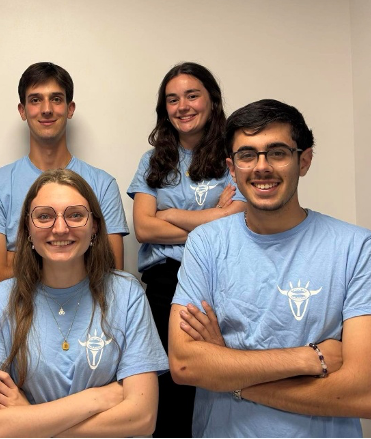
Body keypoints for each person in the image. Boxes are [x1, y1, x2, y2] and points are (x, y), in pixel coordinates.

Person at [168, 99, 371, 437]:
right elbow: (184, 364)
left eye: (278, 153)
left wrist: (231, 376)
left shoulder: (357, 248)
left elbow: (369, 396)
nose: (261, 167)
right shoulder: (206, 243)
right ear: (232, 169)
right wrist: (310, 358)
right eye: (247, 155)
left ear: (304, 160)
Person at [0, 169, 168, 437]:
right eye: (44, 216)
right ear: (27, 228)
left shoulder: (127, 294)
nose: (60, 228)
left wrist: (29, 419)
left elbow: (142, 418)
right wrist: (97, 398)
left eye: (75, 215)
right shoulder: (1, 301)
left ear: (94, 226)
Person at [126, 62, 245, 437]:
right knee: (170, 392)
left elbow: (236, 222)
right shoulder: (152, 160)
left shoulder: (236, 155)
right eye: (172, 99)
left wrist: (172, 214)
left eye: (192, 95)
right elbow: (144, 228)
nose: (183, 106)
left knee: (218, 384)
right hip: (165, 286)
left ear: (212, 100)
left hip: (220, 283)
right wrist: (213, 216)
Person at [0, 62, 130, 294]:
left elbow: (110, 274)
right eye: (35, 100)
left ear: (70, 108)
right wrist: (75, 251)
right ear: (22, 111)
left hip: (88, 312)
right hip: (19, 312)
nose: (46, 109)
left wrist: (18, 255)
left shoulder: (103, 185)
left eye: (56, 99)